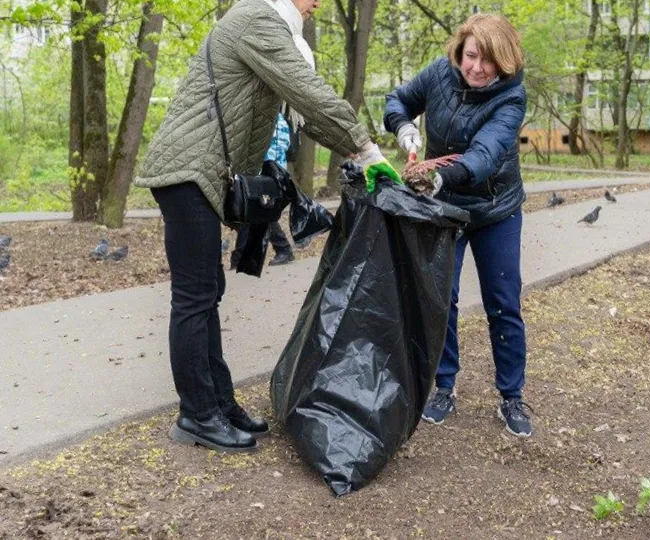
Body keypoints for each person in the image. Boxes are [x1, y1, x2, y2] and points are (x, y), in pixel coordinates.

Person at [134, 0, 401, 453]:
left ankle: (218, 403)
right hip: (187, 172)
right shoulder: (258, 19)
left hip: (198, 173)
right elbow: (308, 93)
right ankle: (197, 415)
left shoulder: (264, 24)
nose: (317, 2)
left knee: (207, 293)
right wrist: (365, 150)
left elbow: (301, 106)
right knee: (195, 297)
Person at [384, 13, 533, 437]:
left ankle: (512, 395)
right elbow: (397, 100)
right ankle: (443, 386)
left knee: (503, 301)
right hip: (442, 210)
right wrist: (404, 128)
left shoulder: (511, 97)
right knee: (440, 300)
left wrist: (439, 176)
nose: (477, 69)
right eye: (471, 56)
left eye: (489, 61)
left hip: (493, 210)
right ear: (459, 51)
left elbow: (486, 155)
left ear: (505, 61)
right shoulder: (439, 73)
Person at [230, 113, 296, 269]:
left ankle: (283, 249)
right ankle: (240, 258)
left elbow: (269, 149)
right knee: (254, 213)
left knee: (259, 213)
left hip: (266, 173)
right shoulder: (274, 118)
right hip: (271, 172)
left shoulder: (268, 117)